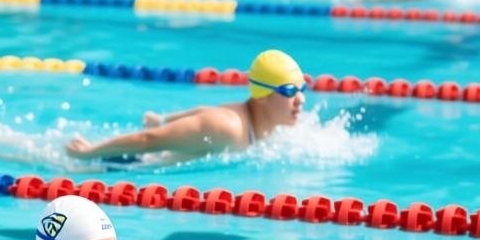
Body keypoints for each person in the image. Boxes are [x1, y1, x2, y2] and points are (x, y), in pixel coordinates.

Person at [65, 49, 306, 162]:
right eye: (289, 90)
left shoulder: (257, 118)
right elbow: (149, 140)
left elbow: (207, 111)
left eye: (301, 89)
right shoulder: (228, 127)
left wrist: (165, 119)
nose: (300, 99)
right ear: (262, 95)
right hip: (123, 163)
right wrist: (89, 153)